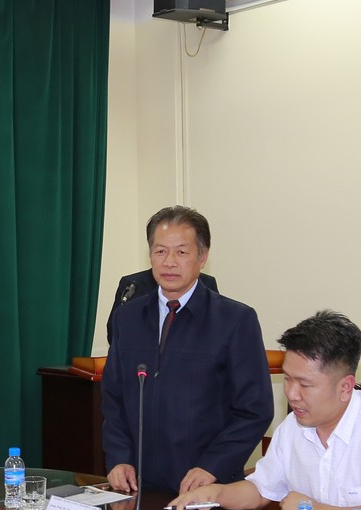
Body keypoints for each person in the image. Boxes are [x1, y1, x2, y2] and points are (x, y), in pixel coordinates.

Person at [168, 310, 361, 510]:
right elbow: (261, 490)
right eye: (287, 379)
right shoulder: (295, 425)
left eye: (305, 385)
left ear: (345, 387)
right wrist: (216, 492)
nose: (292, 394)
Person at [102, 206, 272, 495]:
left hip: (206, 486)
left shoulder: (235, 320)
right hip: (138, 486)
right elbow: (113, 397)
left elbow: (254, 410)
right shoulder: (126, 318)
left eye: (181, 252)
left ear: (202, 257)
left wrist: (212, 466)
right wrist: (119, 458)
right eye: (160, 251)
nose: (169, 262)